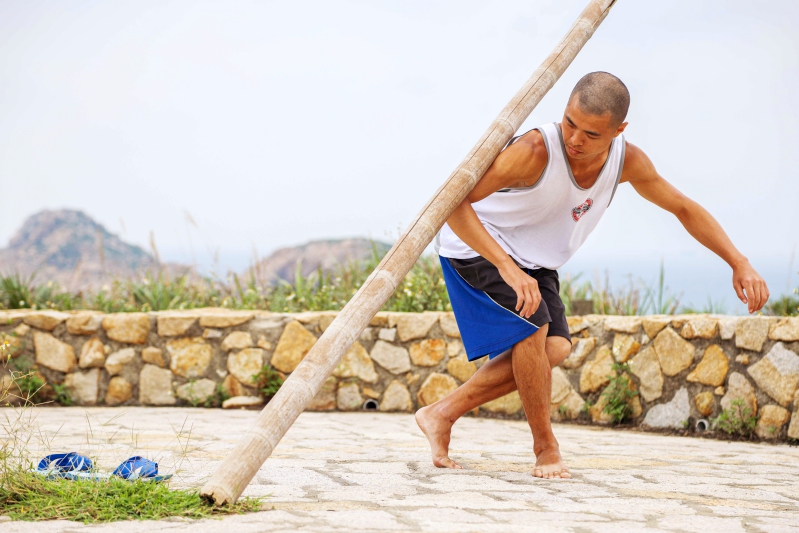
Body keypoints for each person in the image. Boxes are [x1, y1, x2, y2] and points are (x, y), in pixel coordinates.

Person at [416, 72, 770, 479]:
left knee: (555, 349)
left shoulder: (627, 161)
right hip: (478, 246)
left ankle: (441, 413)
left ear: (618, 131)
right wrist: (506, 267)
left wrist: (738, 261)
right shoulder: (534, 151)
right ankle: (545, 448)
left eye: (591, 133)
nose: (574, 140)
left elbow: (683, 208)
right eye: (570, 123)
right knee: (531, 329)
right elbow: (452, 204)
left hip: (535, 261)